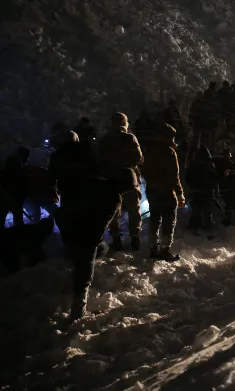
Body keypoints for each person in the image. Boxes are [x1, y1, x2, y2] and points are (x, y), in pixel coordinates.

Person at [50, 131, 132, 320]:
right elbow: (98, 227)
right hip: (81, 230)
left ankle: (73, 257)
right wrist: (90, 244)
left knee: (95, 249)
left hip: (68, 221)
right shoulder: (113, 199)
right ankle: (78, 311)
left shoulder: (96, 183)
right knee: (85, 270)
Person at [98, 112, 144, 251]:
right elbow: (139, 157)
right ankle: (135, 238)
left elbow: (99, 160)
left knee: (114, 211)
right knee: (134, 209)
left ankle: (116, 238)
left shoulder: (105, 140)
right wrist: (127, 166)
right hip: (129, 179)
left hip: (111, 180)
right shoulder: (129, 138)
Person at [141, 123, 185, 261]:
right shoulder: (169, 152)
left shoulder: (148, 150)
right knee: (168, 221)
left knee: (154, 220)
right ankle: (165, 249)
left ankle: (152, 249)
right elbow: (174, 176)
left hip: (152, 191)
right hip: (167, 192)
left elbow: (143, 170)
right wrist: (180, 194)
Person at [186, 148, 218, 231]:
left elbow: (188, 177)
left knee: (196, 209)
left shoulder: (193, 164)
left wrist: (191, 186)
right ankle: (207, 227)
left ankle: (194, 226)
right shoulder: (210, 164)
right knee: (207, 210)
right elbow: (215, 177)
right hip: (207, 190)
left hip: (196, 190)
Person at [214, 149, 235, 225]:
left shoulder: (219, 164)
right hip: (230, 186)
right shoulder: (229, 164)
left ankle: (230, 218)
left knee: (229, 203)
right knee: (233, 203)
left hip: (224, 187)